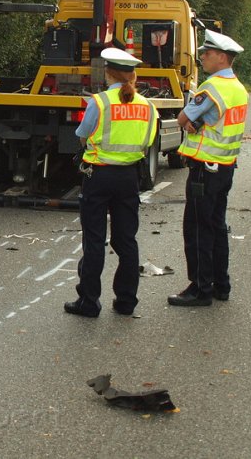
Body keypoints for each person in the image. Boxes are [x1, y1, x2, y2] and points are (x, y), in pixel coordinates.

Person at [64, 47, 158, 318]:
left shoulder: (100, 101)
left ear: (108, 73)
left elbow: (83, 136)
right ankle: (126, 300)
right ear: (132, 74)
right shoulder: (146, 105)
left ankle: (89, 302)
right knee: (126, 240)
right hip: (129, 177)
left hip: (99, 176)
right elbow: (148, 140)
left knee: (94, 240)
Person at [168, 30, 248, 307]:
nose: (202, 57)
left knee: (198, 229)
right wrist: (197, 123)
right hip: (225, 166)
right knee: (216, 226)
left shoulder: (212, 87)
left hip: (204, 167)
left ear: (222, 57)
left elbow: (181, 118)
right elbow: (215, 122)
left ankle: (200, 289)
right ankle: (220, 284)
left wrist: (190, 122)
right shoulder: (238, 88)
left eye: (207, 53)